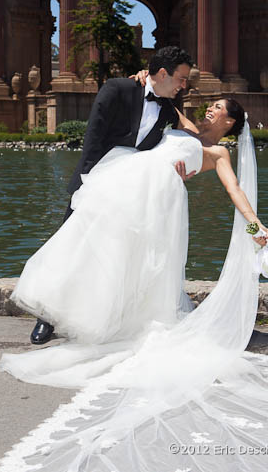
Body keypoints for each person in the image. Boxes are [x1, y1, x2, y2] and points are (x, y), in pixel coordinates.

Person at [0, 101, 268, 472]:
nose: (209, 109)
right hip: (129, 183)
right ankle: (62, 311)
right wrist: (143, 78)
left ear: (229, 122)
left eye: (218, 107)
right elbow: (157, 99)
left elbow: (234, 192)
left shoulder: (218, 152)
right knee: (93, 247)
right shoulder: (181, 123)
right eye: (211, 104)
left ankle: (120, 321)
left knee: (147, 270)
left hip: (161, 203)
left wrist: (256, 228)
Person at [30, 45, 194, 345]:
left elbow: (190, 137)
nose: (185, 84)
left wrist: (183, 163)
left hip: (130, 193)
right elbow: (94, 137)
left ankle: (102, 319)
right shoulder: (117, 89)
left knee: (112, 256)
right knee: (70, 249)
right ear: (162, 73)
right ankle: (47, 317)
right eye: (181, 78)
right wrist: (87, 184)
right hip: (94, 183)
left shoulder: (169, 106)